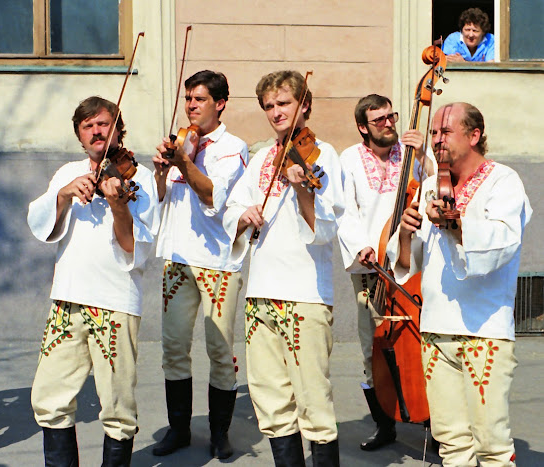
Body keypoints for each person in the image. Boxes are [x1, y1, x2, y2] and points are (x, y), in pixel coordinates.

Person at [389, 102, 531, 466]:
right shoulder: (433, 187)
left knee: (492, 444)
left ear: (474, 135)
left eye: (445, 132)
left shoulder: (503, 180)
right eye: (433, 132)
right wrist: (405, 234)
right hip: (436, 328)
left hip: (484, 329)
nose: (436, 140)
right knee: (451, 442)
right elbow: (408, 263)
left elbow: (500, 244)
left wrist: (453, 223)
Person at [27, 96, 159, 466]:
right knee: (49, 397)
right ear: (80, 136)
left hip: (116, 302)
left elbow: (136, 250)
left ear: (118, 128)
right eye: (89, 126)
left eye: (104, 123)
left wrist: (119, 206)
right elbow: (40, 223)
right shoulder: (68, 172)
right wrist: (66, 193)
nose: (98, 130)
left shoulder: (140, 178)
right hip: (67, 298)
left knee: (117, 405)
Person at [223, 70, 344, 466]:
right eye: (269, 106)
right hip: (261, 293)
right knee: (271, 400)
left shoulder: (323, 155)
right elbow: (232, 208)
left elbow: (326, 227)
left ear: (304, 105)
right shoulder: (261, 157)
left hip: (305, 294)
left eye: (284, 103)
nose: (276, 112)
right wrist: (244, 216)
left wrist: (303, 189)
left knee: (312, 401)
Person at [151, 70, 249, 459]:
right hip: (177, 258)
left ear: (220, 103)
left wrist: (184, 163)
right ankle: (178, 429)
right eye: (188, 99)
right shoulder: (181, 143)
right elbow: (158, 200)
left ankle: (219, 433)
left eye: (199, 99)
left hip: (218, 263)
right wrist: (162, 171)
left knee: (220, 350)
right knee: (174, 347)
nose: (191, 105)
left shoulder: (232, 147)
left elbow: (215, 197)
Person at [337, 94, 433, 451]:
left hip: (411, 264)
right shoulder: (349, 159)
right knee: (371, 346)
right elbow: (344, 210)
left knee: (421, 344)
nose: (389, 123)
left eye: (391, 116)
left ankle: (432, 422)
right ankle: (384, 425)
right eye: (379, 120)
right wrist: (361, 245)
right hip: (371, 265)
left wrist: (423, 154)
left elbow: (437, 186)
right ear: (363, 127)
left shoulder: (409, 155)